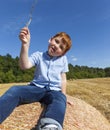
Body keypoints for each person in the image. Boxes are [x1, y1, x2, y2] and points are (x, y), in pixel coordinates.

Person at [0, 27, 72, 130]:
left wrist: (64, 96)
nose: (56, 46)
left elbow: (63, 78)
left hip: (54, 91)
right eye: (56, 41)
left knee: (59, 101)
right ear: (51, 39)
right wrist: (25, 44)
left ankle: (50, 126)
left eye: (61, 47)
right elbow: (24, 66)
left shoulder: (63, 60)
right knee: (15, 90)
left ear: (62, 53)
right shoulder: (39, 55)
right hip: (36, 88)